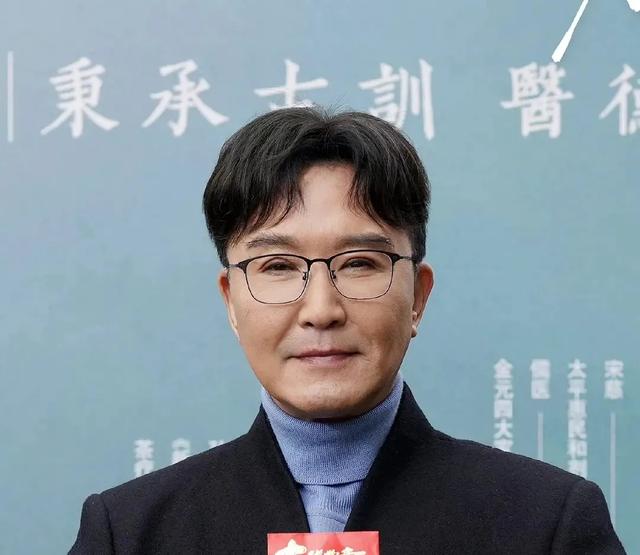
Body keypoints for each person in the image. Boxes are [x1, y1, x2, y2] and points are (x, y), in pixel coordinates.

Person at [69, 106, 625, 554]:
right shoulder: (130, 533)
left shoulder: (546, 523)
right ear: (231, 301)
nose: (321, 309)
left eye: (359, 263)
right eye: (277, 266)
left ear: (418, 297)